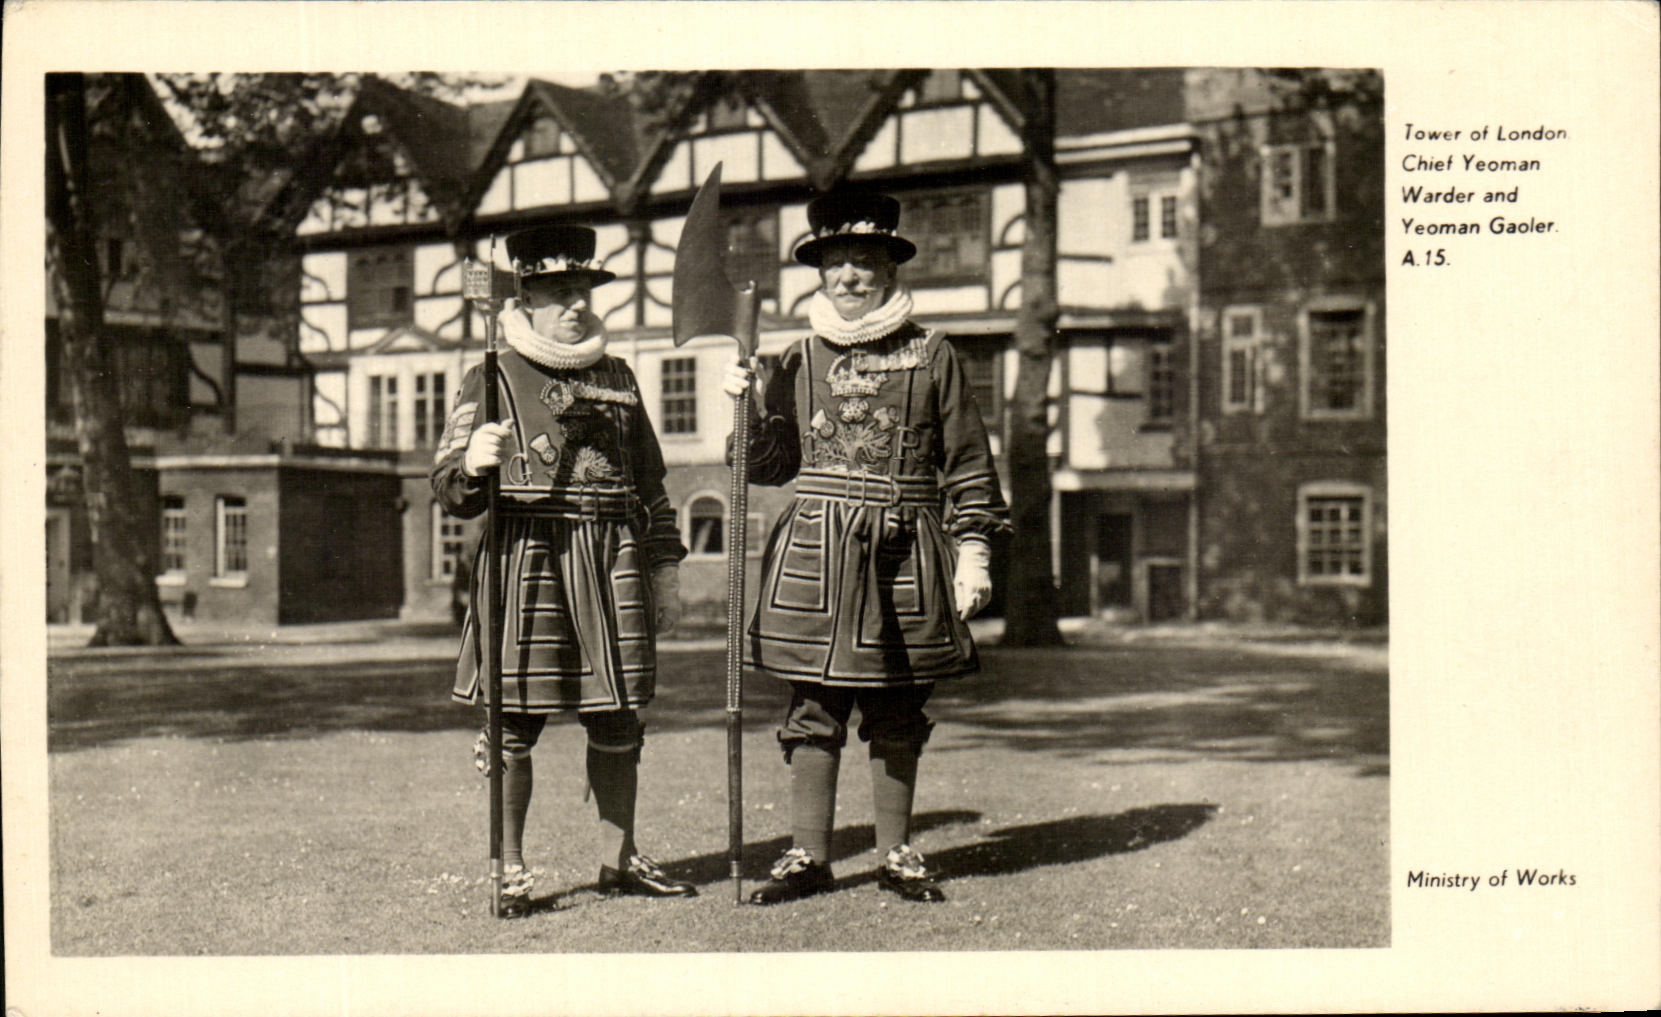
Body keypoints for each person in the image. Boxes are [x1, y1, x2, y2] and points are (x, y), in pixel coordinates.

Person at [722, 192, 1009, 905]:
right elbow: (766, 466)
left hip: (903, 544)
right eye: (834, 262)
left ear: (888, 267)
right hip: (814, 550)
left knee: (897, 704)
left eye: (864, 261)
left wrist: (973, 547)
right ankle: (806, 854)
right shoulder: (795, 355)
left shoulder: (932, 351)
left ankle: (896, 852)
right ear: (818, 274)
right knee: (814, 704)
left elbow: (968, 461)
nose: (849, 275)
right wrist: (746, 404)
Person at [433, 224, 697, 916]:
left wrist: (664, 569)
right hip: (529, 554)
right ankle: (511, 865)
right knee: (515, 719)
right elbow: (449, 487)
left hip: (612, 556)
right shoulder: (487, 375)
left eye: (582, 290)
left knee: (618, 718)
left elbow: (652, 483)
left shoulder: (618, 375)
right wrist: (472, 463)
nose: (575, 305)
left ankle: (619, 858)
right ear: (523, 295)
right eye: (556, 292)